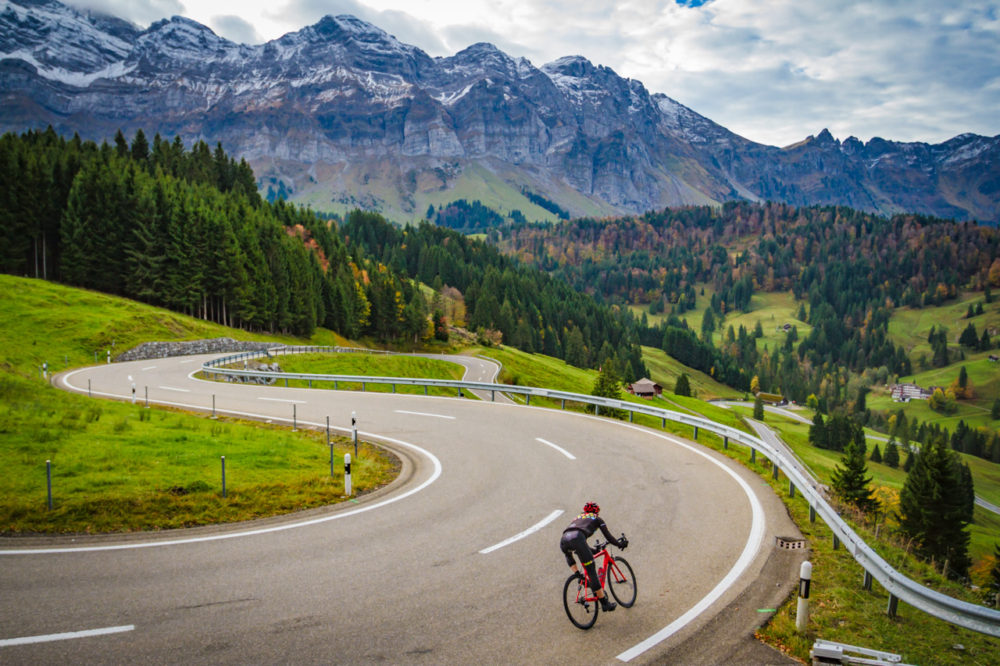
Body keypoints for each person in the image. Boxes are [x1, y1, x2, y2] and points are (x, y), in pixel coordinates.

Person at [560, 501, 627, 612]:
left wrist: (593, 551)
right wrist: (619, 544)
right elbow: (608, 537)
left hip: (564, 540)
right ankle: (605, 604)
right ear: (597, 511)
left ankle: (578, 576)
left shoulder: (578, 518)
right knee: (591, 572)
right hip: (578, 539)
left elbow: (580, 541)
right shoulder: (597, 519)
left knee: (569, 554)